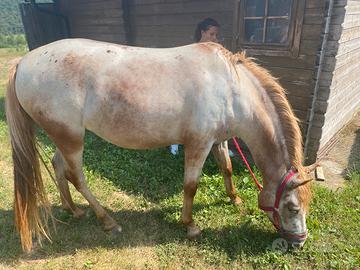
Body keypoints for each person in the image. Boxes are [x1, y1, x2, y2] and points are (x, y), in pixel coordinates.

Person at [170, 18, 235, 156]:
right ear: (202, 32)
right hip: (190, 90)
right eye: (211, 34)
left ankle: (220, 146)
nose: (215, 38)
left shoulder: (216, 51)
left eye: (216, 35)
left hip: (209, 92)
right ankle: (174, 142)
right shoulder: (192, 50)